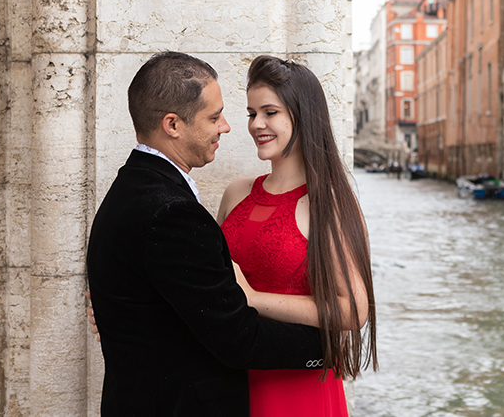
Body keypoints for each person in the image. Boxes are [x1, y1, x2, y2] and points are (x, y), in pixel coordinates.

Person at [86, 52, 325, 417]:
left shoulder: (128, 189)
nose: (226, 127)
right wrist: (326, 349)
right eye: (214, 117)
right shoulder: (172, 213)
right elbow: (239, 339)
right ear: (173, 125)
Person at [217, 55, 377, 416]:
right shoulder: (236, 194)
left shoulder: (327, 203)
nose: (257, 124)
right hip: (227, 383)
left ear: (301, 115)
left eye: (270, 112)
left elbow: (353, 309)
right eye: (251, 113)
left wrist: (253, 298)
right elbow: (201, 284)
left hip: (298, 391)